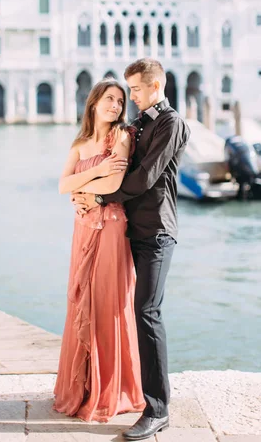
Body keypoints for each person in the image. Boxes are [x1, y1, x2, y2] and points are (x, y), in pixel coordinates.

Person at [72, 58, 190, 441]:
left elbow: (143, 178)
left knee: (147, 310)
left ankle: (158, 410)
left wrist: (98, 197)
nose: (131, 96)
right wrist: (82, 189)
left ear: (155, 87)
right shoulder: (137, 124)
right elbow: (113, 163)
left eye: (136, 90)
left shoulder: (171, 123)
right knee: (113, 307)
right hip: (125, 231)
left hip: (156, 231)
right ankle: (116, 389)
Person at [53, 78, 146, 422]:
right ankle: (85, 385)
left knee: (108, 300)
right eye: (109, 99)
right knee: (82, 298)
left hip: (109, 226)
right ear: (94, 103)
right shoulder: (80, 142)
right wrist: (98, 169)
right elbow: (63, 185)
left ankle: (111, 387)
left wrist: (92, 181)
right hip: (83, 227)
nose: (116, 106)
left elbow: (114, 184)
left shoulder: (121, 136)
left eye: (121, 101)